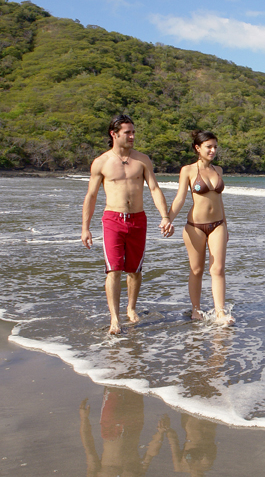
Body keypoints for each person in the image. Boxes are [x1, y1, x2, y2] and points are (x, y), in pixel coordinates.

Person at [81, 114, 174, 334]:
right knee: (113, 269)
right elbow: (91, 195)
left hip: (138, 219)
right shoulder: (101, 162)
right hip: (113, 219)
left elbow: (154, 188)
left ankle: (131, 308)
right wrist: (85, 227)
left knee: (134, 269)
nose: (132, 136)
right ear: (114, 134)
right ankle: (115, 318)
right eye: (127, 133)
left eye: (133, 132)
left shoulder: (142, 160)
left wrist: (165, 216)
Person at [167, 131, 234, 325]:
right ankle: (196, 310)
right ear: (198, 148)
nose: (213, 150)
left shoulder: (218, 170)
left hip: (218, 225)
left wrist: (226, 226)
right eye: (209, 147)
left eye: (215, 147)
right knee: (196, 270)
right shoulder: (187, 170)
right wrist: (168, 219)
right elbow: (180, 198)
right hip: (194, 226)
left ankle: (220, 313)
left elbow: (220, 201)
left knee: (218, 269)